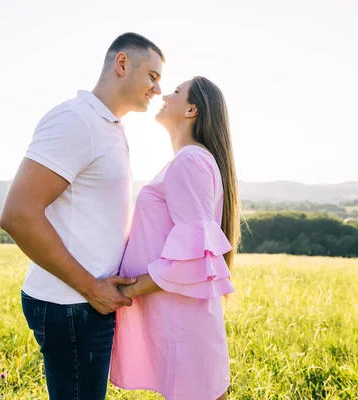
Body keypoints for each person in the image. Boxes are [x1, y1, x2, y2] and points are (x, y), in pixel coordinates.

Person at [0, 32, 164, 400]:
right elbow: (18, 215)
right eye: (152, 76)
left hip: (86, 303)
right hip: (72, 305)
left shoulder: (110, 128)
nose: (157, 89)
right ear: (122, 64)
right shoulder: (76, 121)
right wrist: (92, 288)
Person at [110, 77, 240, 400]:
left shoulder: (190, 160)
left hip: (184, 326)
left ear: (192, 109)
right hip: (183, 321)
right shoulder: (191, 160)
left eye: (177, 92)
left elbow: (194, 256)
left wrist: (131, 287)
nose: (165, 94)